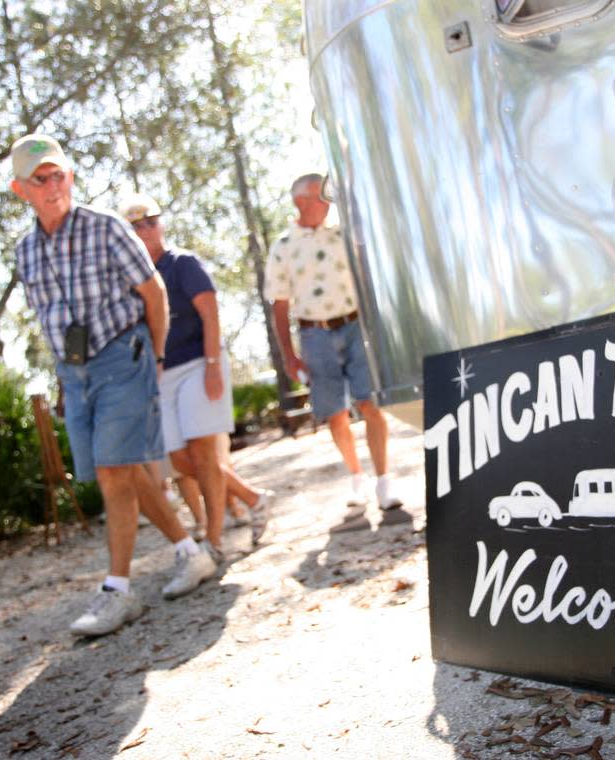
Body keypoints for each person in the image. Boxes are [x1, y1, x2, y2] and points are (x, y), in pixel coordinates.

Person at [9, 134, 217, 637]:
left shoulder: (105, 228)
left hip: (124, 355)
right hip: (74, 372)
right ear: (22, 190)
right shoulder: (26, 251)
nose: (53, 184)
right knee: (117, 473)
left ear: (70, 178)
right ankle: (190, 553)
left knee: (112, 470)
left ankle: (117, 590)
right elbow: (49, 319)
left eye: (59, 174)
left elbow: (154, 291)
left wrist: (157, 355)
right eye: (41, 178)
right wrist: (63, 379)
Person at [118, 193, 273, 557]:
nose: (145, 230)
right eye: (135, 226)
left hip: (197, 364)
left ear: (161, 224)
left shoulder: (182, 263)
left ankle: (215, 542)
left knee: (204, 454)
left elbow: (210, 314)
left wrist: (213, 366)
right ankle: (254, 498)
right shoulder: (130, 281)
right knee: (180, 461)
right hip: (163, 374)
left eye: (150, 222)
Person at [264, 173, 404, 532]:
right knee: (336, 413)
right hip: (315, 336)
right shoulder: (283, 246)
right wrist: (289, 356)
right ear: (300, 203)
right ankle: (356, 477)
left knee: (370, 403)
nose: (327, 203)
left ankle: (384, 481)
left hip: (356, 326)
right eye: (320, 197)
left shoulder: (344, 235)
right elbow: (280, 305)